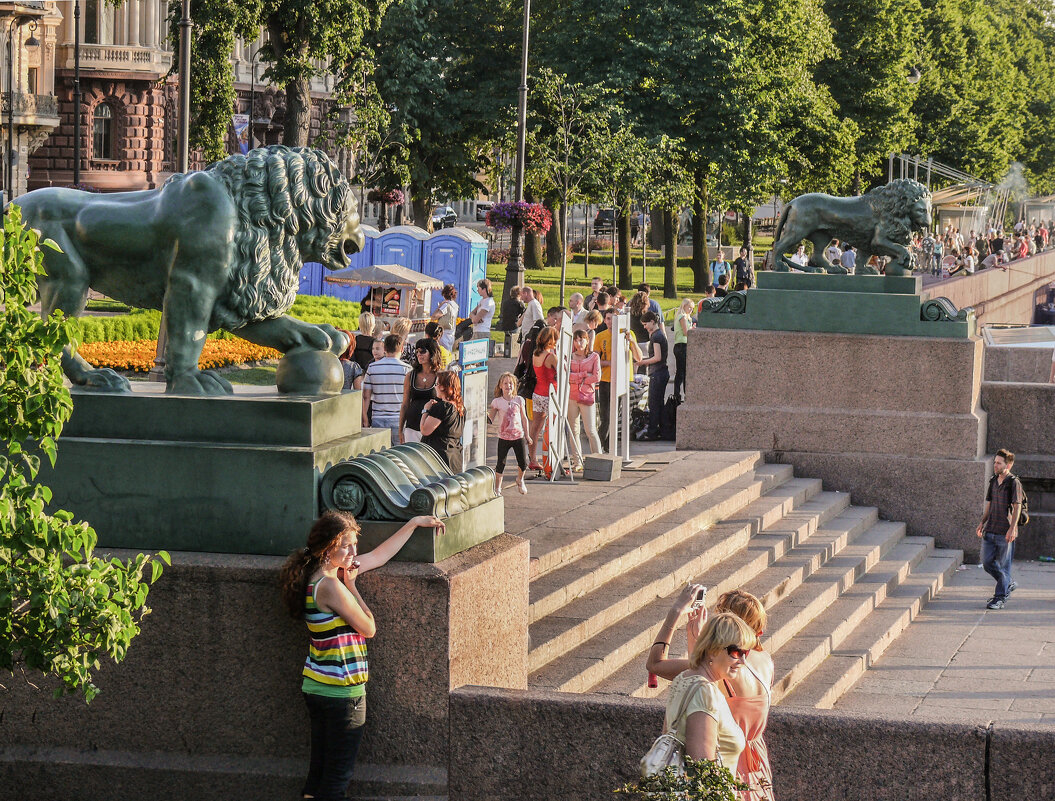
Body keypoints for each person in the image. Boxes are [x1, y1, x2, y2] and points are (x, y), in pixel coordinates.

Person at [279, 509, 446, 801]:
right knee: (335, 782)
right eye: (347, 545)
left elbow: (380, 555)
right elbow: (368, 627)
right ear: (329, 546)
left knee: (317, 776)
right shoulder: (332, 585)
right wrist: (353, 586)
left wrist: (413, 524)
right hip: (343, 695)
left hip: (316, 686)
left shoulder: (314, 574)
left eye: (355, 544)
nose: (354, 552)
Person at [647, 586, 775, 801]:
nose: (741, 659)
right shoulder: (766, 662)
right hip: (758, 762)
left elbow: (656, 664)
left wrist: (677, 615)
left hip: (729, 766)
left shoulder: (725, 667)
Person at [661, 613, 755, 772]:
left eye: (745, 653)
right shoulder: (706, 692)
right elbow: (703, 770)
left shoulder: (683, 678)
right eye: (736, 652)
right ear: (712, 650)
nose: (742, 661)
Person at [976, 448, 1024, 610]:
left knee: (1004, 566)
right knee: (987, 563)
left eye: (998, 463)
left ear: (1008, 465)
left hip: (1005, 531)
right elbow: (989, 503)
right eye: (995, 462)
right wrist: (982, 522)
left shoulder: (1013, 482)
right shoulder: (993, 480)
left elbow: (1017, 507)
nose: (995, 465)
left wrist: (1012, 529)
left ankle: (999, 598)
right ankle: (1008, 583)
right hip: (990, 529)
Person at [361, 334, 410, 445]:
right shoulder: (407, 369)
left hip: (378, 418)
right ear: (401, 349)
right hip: (399, 419)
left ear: (385, 349)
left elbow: (366, 396)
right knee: (398, 456)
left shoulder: (372, 367)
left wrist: (364, 417)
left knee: (380, 456)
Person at [488, 372, 531, 496]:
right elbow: (490, 419)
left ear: (515, 385)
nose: (508, 386)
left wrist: (527, 435)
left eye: (511, 383)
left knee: (523, 463)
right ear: (500, 386)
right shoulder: (497, 402)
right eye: (505, 383)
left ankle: (520, 479)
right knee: (500, 463)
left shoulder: (519, 400)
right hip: (504, 437)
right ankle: (497, 488)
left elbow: (524, 418)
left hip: (519, 436)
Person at [568, 329, 602, 470]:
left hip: (587, 396)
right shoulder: (569, 357)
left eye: (581, 339)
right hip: (571, 396)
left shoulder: (594, 356)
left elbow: (597, 377)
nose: (579, 343)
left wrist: (577, 378)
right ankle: (577, 462)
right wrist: (582, 375)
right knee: (573, 430)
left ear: (587, 340)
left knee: (590, 430)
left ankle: (598, 459)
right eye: (576, 340)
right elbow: (566, 375)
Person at [420, 371, 466, 472]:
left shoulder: (443, 407)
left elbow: (425, 430)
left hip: (439, 459)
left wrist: (426, 410)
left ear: (442, 387)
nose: (434, 387)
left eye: (436, 384)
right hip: (455, 457)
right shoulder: (460, 408)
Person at [399, 338, 441, 445]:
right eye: (417, 351)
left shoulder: (440, 376)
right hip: (412, 425)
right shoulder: (410, 376)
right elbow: (405, 404)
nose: (419, 354)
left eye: (422, 351)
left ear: (432, 352)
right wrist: (400, 429)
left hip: (432, 427)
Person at [528, 326, 558, 469]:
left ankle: (532, 459)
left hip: (538, 393)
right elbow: (562, 372)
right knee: (552, 428)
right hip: (550, 394)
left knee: (535, 428)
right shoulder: (550, 357)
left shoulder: (536, 354)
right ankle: (550, 460)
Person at [636, 310, 669, 440]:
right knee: (658, 403)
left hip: (657, 372)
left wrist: (642, 362)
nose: (644, 327)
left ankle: (652, 431)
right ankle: (662, 430)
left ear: (652, 322)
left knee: (654, 403)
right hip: (662, 372)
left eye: (645, 324)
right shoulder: (659, 335)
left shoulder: (656, 337)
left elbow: (657, 357)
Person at [673, 298, 693, 400]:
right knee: (683, 372)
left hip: (680, 345)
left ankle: (678, 393)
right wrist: (693, 330)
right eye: (689, 307)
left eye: (692, 308)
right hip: (682, 345)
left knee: (681, 371)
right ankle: (681, 393)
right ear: (684, 306)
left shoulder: (682, 317)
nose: (690, 310)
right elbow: (686, 332)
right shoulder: (683, 317)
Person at [499, 286, 525, 357]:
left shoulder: (506, 302)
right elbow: (524, 314)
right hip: (514, 324)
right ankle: (513, 353)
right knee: (514, 340)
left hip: (505, 324)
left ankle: (507, 352)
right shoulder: (519, 303)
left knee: (507, 339)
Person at [431, 285, 459, 351]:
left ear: (444, 294)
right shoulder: (455, 305)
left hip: (444, 333)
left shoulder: (446, 305)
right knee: (448, 352)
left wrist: (439, 307)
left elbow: (434, 317)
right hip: (451, 332)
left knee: (443, 352)